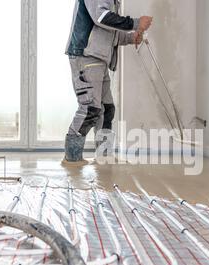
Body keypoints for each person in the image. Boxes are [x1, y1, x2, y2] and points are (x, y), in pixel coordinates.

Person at [64, 0, 153, 164]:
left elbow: (109, 32)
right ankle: (72, 158)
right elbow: (102, 17)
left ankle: (104, 156)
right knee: (90, 108)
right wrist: (135, 22)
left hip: (98, 58)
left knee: (107, 109)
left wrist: (131, 37)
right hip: (86, 56)